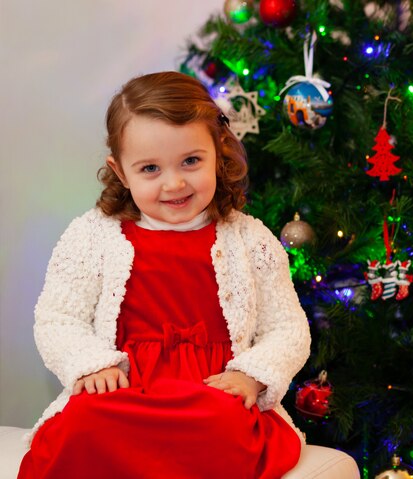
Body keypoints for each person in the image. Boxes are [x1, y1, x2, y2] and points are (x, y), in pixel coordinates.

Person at [18, 71, 311, 479]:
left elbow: (287, 328)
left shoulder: (249, 238)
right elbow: (57, 319)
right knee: (83, 422)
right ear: (120, 172)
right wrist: (91, 365)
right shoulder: (93, 234)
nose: (174, 183)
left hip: (211, 392)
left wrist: (251, 375)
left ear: (218, 152)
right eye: (150, 168)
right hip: (125, 389)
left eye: (191, 161)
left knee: (224, 425)